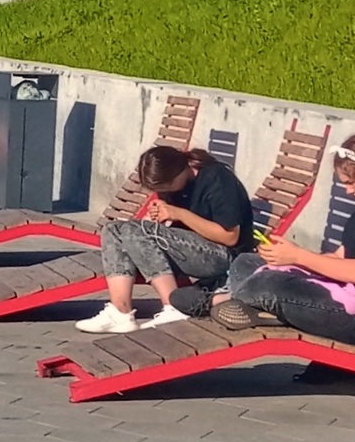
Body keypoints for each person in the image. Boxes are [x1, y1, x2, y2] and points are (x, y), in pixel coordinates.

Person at [212, 133, 355, 351]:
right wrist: (288, 259)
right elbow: (341, 256)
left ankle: (223, 300)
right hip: (345, 292)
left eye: (352, 183)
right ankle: (258, 307)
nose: (348, 190)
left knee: (266, 283)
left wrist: (299, 257)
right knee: (247, 262)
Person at [74, 140, 254, 334]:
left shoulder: (218, 179)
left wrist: (178, 214)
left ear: (179, 170)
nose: (166, 192)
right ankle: (120, 312)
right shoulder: (175, 184)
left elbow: (230, 237)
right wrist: (161, 217)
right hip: (193, 248)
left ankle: (175, 307)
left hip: (226, 257)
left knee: (136, 231)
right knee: (114, 229)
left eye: (167, 186)